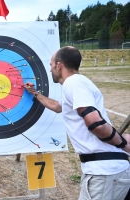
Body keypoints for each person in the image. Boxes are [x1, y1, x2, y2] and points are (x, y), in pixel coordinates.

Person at [24, 46, 130, 200]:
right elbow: (58, 107)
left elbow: (96, 124)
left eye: (51, 65)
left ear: (59, 66)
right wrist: (35, 94)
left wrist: (122, 143)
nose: (50, 70)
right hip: (106, 171)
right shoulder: (77, 83)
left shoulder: (73, 83)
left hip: (104, 172)